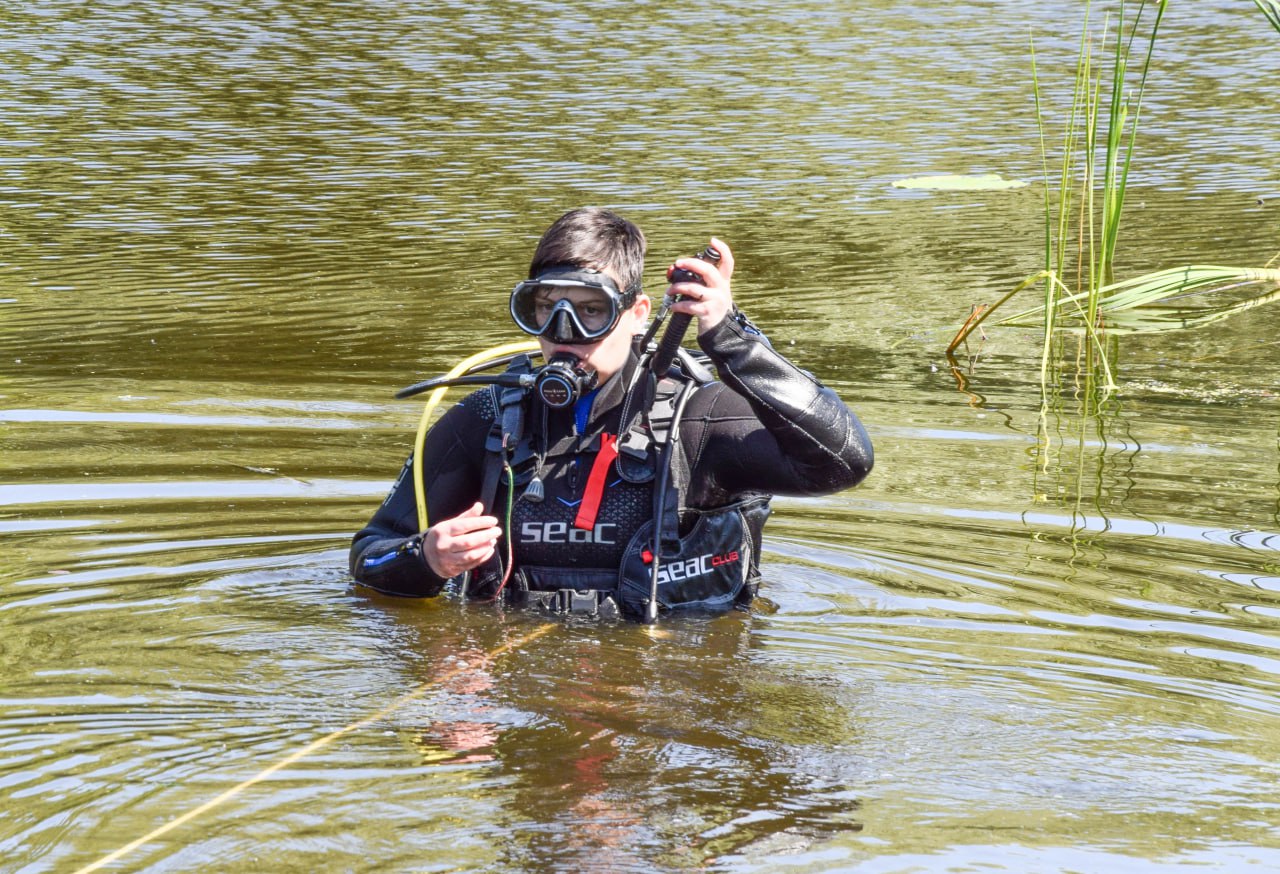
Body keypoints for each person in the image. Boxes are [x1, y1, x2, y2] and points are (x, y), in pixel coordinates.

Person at [350, 207, 873, 620]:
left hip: (666, 695)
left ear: (637, 313)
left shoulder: (699, 421)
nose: (563, 332)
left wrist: (730, 337)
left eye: (590, 311)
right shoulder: (488, 418)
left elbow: (845, 462)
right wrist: (427, 558)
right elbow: (369, 557)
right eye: (545, 308)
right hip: (518, 693)